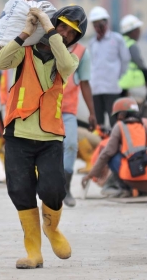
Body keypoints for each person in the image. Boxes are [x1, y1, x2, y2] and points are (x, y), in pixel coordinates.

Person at [0, 5, 87, 269]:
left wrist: (49, 27)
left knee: (53, 189)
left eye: (71, 32)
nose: (65, 33)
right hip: (18, 133)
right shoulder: (23, 52)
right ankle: (33, 252)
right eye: (62, 26)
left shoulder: (68, 60)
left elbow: (67, 65)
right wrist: (25, 33)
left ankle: (52, 230)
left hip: (50, 137)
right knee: (20, 192)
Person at [81, 97, 147, 198]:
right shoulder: (145, 127)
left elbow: (107, 153)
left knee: (111, 156)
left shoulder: (120, 126)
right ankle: (144, 192)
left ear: (121, 115)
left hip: (134, 180)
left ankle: (124, 189)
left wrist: (90, 175)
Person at [61, 36, 96, 207]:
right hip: (44, 109)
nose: (67, 33)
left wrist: (92, 113)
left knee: (70, 145)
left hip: (67, 110)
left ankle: (66, 188)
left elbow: (85, 83)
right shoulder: (47, 45)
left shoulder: (82, 53)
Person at [88, 6, 130, 127]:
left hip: (112, 88)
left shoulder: (117, 39)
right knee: (99, 124)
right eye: (95, 24)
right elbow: (93, 64)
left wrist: (118, 78)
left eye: (100, 23)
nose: (98, 27)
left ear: (106, 22)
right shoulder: (93, 43)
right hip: (96, 88)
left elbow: (125, 60)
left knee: (114, 122)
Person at [119, 15, 147, 101]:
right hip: (127, 78)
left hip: (118, 78)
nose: (140, 32)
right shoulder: (131, 44)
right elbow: (139, 62)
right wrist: (146, 75)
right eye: (138, 30)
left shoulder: (120, 41)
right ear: (132, 31)